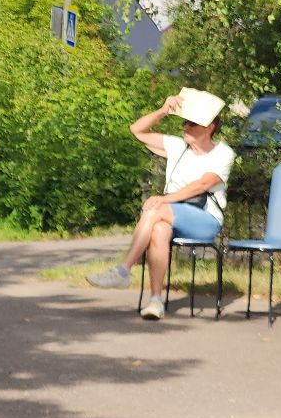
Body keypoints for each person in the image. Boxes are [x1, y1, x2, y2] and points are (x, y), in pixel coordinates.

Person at [87, 91, 235, 319]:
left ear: (209, 127)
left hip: (205, 219)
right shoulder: (177, 147)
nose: (185, 126)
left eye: (191, 124)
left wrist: (164, 199)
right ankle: (156, 300)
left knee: (155, 208)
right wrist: (163, 110)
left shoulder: (223, 153)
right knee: (158, 229)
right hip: (171, 215)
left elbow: (202, 184)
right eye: (184, 122)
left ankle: (124, 269)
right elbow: (137, 130)